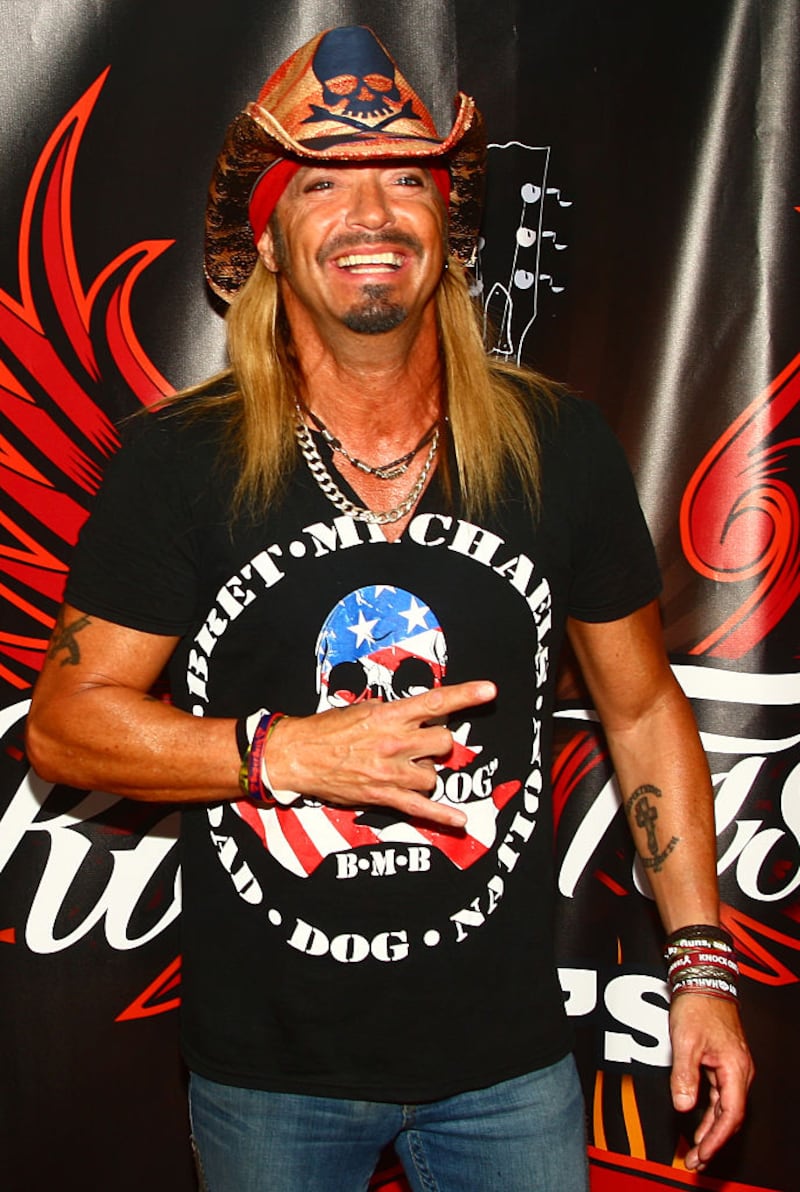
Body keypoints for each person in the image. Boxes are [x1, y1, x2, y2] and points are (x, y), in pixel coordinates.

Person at [26, 24, 753, 1192]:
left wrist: (700, 965)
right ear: (266, 235)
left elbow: (640, 706)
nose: (372, 213)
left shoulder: (556, 445)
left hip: (509, 1070)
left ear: (444, 230)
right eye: (322, 183)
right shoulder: (182, 463)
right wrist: (288, 752)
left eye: (404, 180)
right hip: (269, 1080)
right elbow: (66, 724)